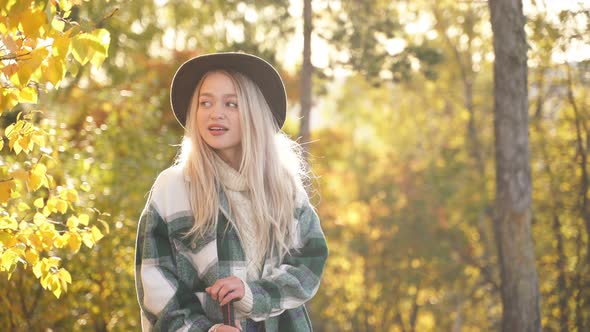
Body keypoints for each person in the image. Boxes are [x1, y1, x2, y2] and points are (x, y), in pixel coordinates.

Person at [135, 52, 329, 332]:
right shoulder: (173, 188)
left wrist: (254, 296)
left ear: (253, 111)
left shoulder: (283, 188)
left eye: (231, 103)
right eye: (205, 102)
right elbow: (155, 282)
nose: (216, 113)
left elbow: (309, 262)